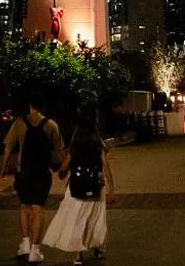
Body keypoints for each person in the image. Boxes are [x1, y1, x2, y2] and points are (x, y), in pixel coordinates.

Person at [43, 110, 115, 265]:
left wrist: (61, 171)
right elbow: (106, 165)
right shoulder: (98, 143)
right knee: (95, 218)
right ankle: (97, 247)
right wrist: (112, 188)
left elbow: (65, 164)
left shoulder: (75, 143)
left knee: (78, 219)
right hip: (96, 186)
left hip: (77, 186)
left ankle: (78, 255)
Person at [1, 92, 65, 263]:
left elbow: (8, 147)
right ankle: (35, 250)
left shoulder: (19, 123)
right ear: (43, 106)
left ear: (30, 105)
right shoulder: (51, 125)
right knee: (39, 209)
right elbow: (59, 151)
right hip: (42, 173)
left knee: (24, 207)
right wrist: (62, 169)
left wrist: (4, 167)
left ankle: (25, 244)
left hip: (24, 172)